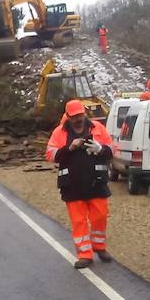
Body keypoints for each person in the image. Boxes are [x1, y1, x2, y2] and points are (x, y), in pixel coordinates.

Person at [45, 100, 114, 269]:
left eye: (80, 115)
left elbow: (112, 150)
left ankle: (99, 247)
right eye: (75, 116)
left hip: (97, 182)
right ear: (68, 116)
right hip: (72, 185)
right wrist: (69, 148)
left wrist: (100, 149)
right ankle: (85, 255)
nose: (79, 119)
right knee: (79, 221)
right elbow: (50, 154)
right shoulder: (59, 132)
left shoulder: (98, 128)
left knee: (100, 217)